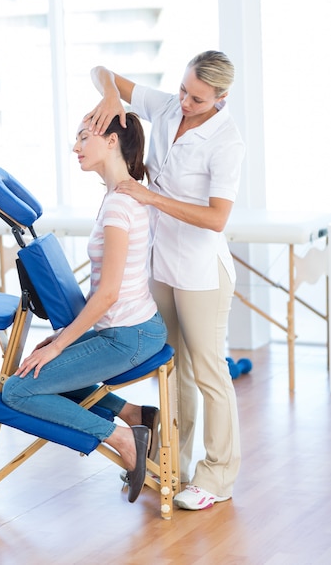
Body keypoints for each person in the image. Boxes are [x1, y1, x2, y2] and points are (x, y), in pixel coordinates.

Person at [85, 50, 245, 511]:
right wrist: (114, 95)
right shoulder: (170, 106)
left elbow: (216, 218)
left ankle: (218, 476)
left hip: (201, 272)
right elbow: (101, 72)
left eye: (197, 97)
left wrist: (150, 197)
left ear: (220, 97)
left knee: (209, 372)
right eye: (182, 89)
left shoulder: (227, 141)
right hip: (162, 265)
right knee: (172, 372)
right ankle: (173, 463)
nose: (185, 101)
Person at [2, 112, 168, 504]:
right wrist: (64, 338)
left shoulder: (118, 205)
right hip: (133, 328)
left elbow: (107, 294)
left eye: (82, 137)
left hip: (127, 336)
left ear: (112, 141)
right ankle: (134, 414)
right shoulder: (118, 195)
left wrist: (61, 346)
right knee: (48, 371)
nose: (75, 147)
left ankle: (125, 437)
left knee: (18, 391)